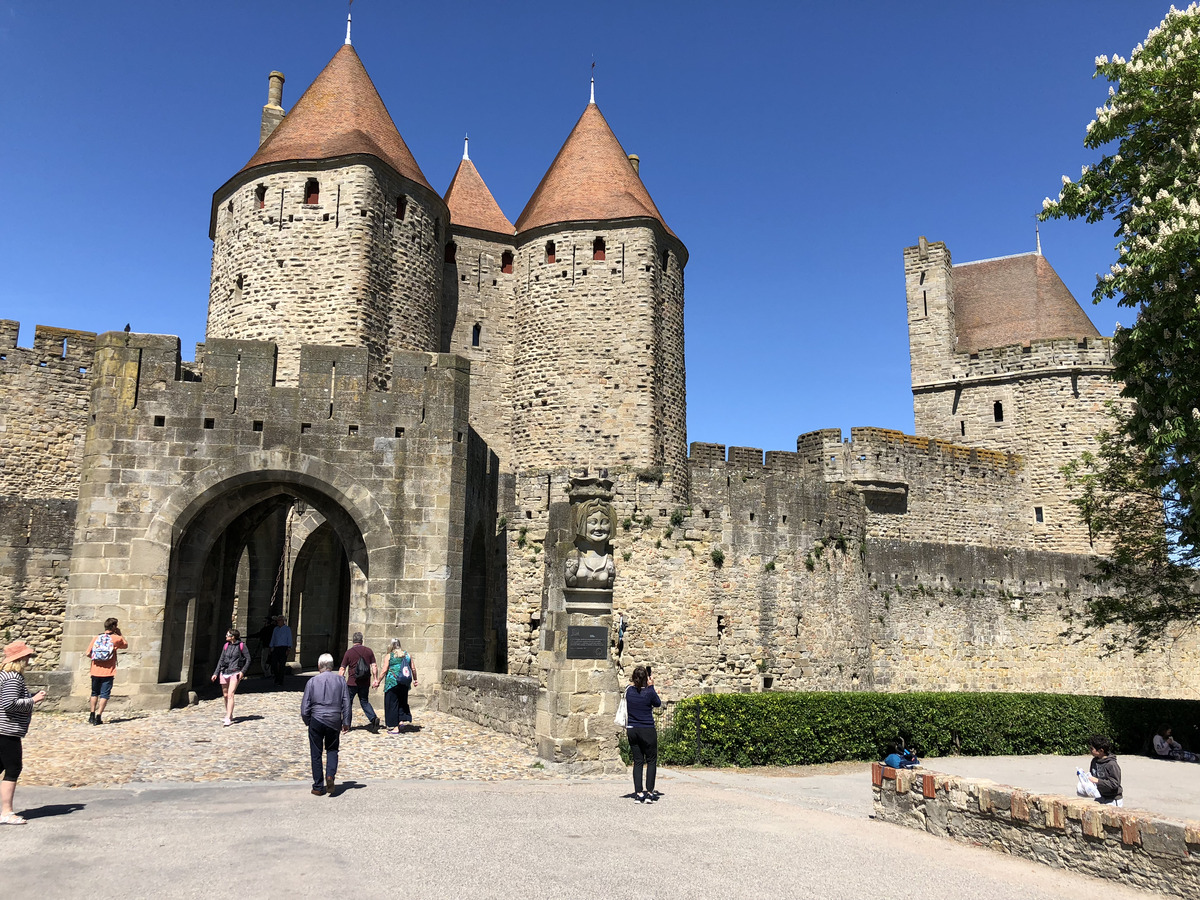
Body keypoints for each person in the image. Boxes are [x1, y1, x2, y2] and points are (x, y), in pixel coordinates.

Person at [0, 641, 47, 825]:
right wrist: (33, 700)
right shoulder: (13, 677)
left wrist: (29, 697)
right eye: (26, 657)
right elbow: (9, 703)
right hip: (7, 730)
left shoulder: (4, 675)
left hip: (4, 729)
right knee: (13, 769)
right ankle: (6, 812)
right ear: (20, 659)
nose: (29, 660)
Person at [300, 653, 350, 796]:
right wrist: (346, 722)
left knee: (316, 753)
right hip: (334, 719)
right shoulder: (341, 681)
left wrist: (307, 720)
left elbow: (305, 706)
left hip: (316, 718)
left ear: (319, 666)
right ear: (332, 666)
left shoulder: (312, 682)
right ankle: (330, 776)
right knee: (332, 749)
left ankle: (318, 786)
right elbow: (346, 703)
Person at [624, 664, 661, 803]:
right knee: (651, 760)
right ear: (646, 678)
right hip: (647, 729)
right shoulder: (649, 692)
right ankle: (650, 792)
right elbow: (657, 703)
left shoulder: (628, 691)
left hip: (632, 729)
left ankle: (639, 793)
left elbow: (634, 689)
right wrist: (651, 687)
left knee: (638, 761)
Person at [86, 618, 128, 725]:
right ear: (114, 626)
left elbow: (87, 653)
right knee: (104, 694)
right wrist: (120, 634)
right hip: (108, 671)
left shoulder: (96, 637)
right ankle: (98, 716)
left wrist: (97, 658)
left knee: (94, 693)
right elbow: (125, 645)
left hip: (95, 670)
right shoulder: (116, 639)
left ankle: (91, 715)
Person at [339, 633, 380, 734]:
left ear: (353, 641)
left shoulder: (349, 653)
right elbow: (374, 666)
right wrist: (375, 679)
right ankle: (373, 718)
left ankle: (346, 724)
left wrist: (340, 681)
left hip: (352, 682)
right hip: (365, 682)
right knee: (364, 701)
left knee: (348, 703)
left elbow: (342, 668)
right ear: (362, 640)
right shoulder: (369, 651)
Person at [377, 638, 418, 734]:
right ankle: (401, 721)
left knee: (392, 704)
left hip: (392, 683)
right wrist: (415, 679)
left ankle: (395, 727)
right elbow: (413, 668)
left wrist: (378, 681)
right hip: (404, 683)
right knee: (402, 702)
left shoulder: (389, 656)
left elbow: (384, 671)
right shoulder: (407, 655)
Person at [211, 628, 251, 726]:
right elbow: (221, 660)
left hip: (235, 672)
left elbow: (248, 659)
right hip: (224, 672)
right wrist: (216, 673)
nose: (226, 636)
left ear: (233, 637)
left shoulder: (242, 646)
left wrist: (242, 671)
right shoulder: (226, 646)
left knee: (230, 694)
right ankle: (229, 713)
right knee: (225, 695)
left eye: (227, 635)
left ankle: (228, 717)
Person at [1088, 734, 1123, 806]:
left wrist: (1098, 781)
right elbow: (1092, 777)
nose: (1090, 750)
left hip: (1113, 799)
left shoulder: (1111, 764)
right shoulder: (1094, 761)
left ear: (1101, 750)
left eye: (1092, 749)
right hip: (1100, 796)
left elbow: (1115, 784)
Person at [268, 615, 293, 686]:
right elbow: (273, 638)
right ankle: (277, 677)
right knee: (274, 664)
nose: (278, 622)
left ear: (283, 621)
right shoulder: (275, 629)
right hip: (276, 647)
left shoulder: (287, 629)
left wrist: (289, 648)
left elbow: (289, 638)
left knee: (282, 665)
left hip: (284, 647)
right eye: (277, 621)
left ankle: (280, 680)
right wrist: (271, 646)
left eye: (279, 620)